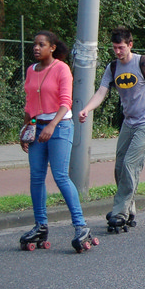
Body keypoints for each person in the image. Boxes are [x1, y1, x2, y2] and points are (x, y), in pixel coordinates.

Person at [78, 27, 145, 232]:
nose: (117, 51)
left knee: (131, 165)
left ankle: (119, 213)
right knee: (120, 167)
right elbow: (101, 92)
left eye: (121, 47)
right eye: (114, 48)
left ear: (130, 45)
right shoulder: (113, 67)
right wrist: (87, 108)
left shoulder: (144, 63)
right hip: (128, 123)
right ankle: (128, 209)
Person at [20, 31, 95, 252]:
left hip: (60, 126)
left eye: (41, 44)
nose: (36, 48)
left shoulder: (61, 69)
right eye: (35, 44)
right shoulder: (31, 70)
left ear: (52, 48)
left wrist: (52, 126)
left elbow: (65, 102)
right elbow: (29, 104)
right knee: (36, 177)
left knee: (60, 176)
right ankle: (40, 225)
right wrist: (26, 129)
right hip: (37, 127)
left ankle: (80, 226)